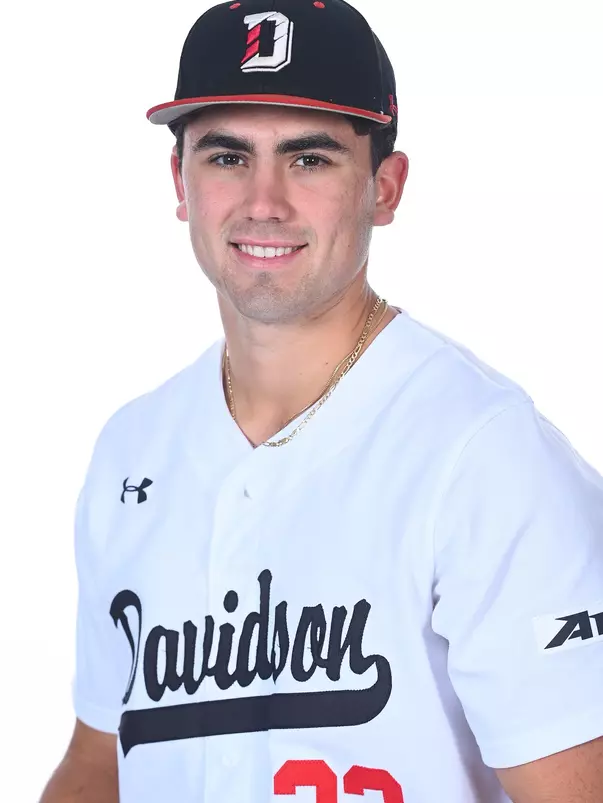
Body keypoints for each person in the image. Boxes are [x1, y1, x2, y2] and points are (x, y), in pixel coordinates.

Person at [40, 1, 603, 801]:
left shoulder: (484, 455)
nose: (263, 201)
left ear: (384, 187)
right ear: (180, 182)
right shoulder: (132, 448)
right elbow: (100, 758)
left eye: (308, 159)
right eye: (227, 156)